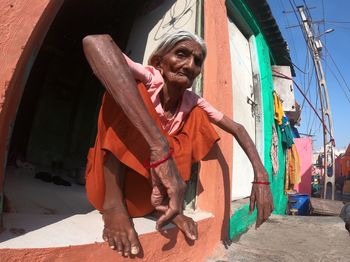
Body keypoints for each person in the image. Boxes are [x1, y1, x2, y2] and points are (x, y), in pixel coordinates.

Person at [82, 31, 274, 257]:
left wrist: (261, 177)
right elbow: (95, 42)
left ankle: (171, 207)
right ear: (159, 62)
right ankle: (114, 207)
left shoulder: (192, 102)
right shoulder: (150, 78)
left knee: (197, 118)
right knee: (128, 87)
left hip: (150, 202)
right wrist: (159, 148)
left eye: (197, 61)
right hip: (107, 192)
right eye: (181, 54)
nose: (190, 65)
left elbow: (238, 129)